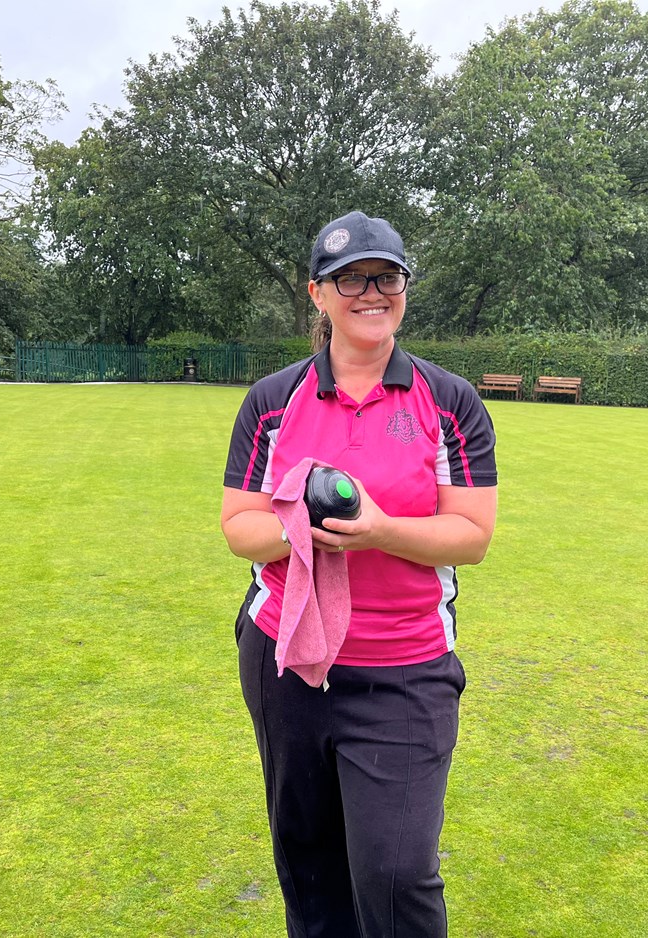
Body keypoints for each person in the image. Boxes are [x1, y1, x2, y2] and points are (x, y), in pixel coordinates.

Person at [221, 210, 498, 937]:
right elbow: (238, 527)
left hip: (405, 669)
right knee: (310, 868)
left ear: (405, 287)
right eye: (350, 278)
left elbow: (470, 537)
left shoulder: (448, 401)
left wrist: (378, 530)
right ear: (317, 294)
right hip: (288, 660)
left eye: (386, 276)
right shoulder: (272, 402)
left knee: (396, 873)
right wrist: (301, 532)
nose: (370, 291)